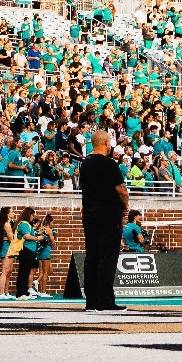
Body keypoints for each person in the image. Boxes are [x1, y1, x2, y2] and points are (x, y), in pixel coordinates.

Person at [78, 126, 127, 310]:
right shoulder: (109, 164)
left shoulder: (85, 163)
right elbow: (121, 190)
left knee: (92, 257)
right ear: (106, 143)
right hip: (108, 216)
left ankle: (91, 301)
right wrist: (125, 207)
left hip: (90, 215)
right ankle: (105, 301)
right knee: (107, 258)